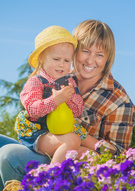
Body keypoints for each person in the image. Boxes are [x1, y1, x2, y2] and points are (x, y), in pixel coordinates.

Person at [0, 20, 135, 191]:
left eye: (99, 54)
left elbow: (120, 158)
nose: (91, 60)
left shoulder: (118, 101)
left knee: (9, 153)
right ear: (74, 51)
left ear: (108, 58)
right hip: (42, 144)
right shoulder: (59, 75)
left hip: (69, 164)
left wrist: (78, 143)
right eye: (85, 51)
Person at [15, 25, 89, 164]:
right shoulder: (36, 82)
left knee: (88, 151)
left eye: (67, 61)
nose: (62, 65)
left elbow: (77, 111)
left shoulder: (69, 82)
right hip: (39, 134)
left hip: (61, 130)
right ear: (42, 58)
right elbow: (32, 109)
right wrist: (55, 100)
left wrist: (69, 96)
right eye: (56, 59)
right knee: (73, 140)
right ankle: (51, 177)